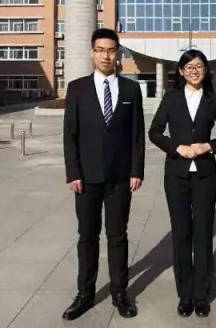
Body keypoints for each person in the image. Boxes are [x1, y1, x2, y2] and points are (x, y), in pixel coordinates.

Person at [62, 28, 145, 320]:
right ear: (92, 53)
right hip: (86, 179)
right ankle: (85, 293)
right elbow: (70, 135)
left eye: (111, 50)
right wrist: (73, 172)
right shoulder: (77, 89)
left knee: (117, 236)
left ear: (117, 53)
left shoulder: (131, 89)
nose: (105, 56)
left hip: (120, 178)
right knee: (87, 236)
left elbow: (137, 135)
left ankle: (120, 293)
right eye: (100, 50)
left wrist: (136, 170)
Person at [148, 49, 216, 318]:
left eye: (199, 66)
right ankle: (185, 295)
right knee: (182, 234)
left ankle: (201, 295)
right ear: (181, 71)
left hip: (205, 175)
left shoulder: (214, 100)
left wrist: (208, 146)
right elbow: (154, 132)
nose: (194, 71)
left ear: (206, 70)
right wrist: (176, 147)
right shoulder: (171, 98)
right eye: (189, 67)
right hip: (177, 175)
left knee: (203, 234)